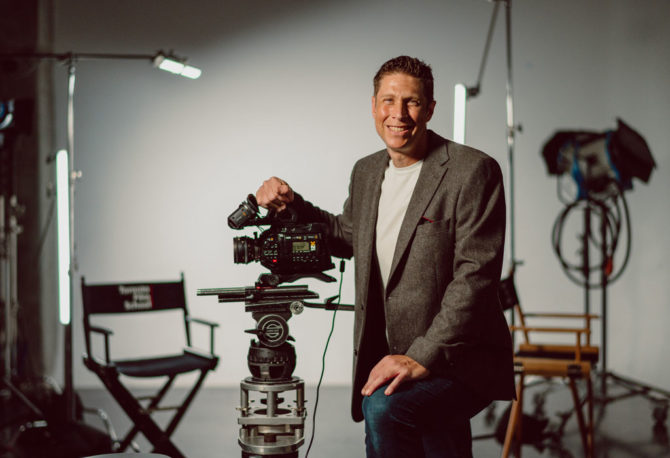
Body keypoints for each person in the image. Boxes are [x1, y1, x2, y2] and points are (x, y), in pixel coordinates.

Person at [255, 55, 515, 457]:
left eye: (411, 102)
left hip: (457, 357)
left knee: (385, 408)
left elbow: (475, 280)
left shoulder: (472, 171)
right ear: (374, 106)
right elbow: (347, 236)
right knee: (421, 436)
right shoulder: (367, 171)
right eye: (389, 101)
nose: (399, 114)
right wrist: (292, 206)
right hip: (389, 357)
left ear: (430, 108)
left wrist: (419, 358)